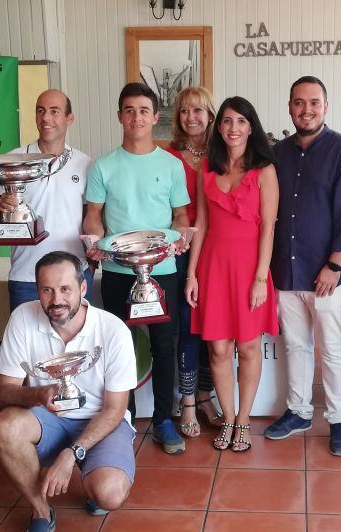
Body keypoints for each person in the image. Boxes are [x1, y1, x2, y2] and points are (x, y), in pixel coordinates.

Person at [0, 251, 136, 532]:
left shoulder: (113, 330)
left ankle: (92, 474)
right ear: (37, 291)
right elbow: (2, 393)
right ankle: (41, 510)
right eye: (47, 290)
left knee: (109, 494)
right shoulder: (22, 318)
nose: (56, 299)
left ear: (83, 288)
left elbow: (115, 409)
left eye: (65, 289)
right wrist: (38, 395)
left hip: (101, 419)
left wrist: (70, 455)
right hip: (48, 418)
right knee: (6, 426)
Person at [83, 82, 190, 455]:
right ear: (119, 116)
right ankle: (122, 420)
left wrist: (179, 238)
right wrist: (95, 242)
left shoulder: (171, 165)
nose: (136, 118)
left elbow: (181, 215)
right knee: (120, 346)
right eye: (129, 110)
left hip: (162, 271)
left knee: (163, 345)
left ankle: (163, 420)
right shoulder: (103, 166)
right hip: (118, 272)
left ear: (155, 117)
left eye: (144, 111)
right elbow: (93, 216)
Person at [264, 76, 341, 457]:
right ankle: (299, 411)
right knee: (295, 345)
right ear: (290, 107)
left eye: (314, 103)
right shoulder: (278, 153)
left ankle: (339, 420)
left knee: (334, 348)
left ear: (326, 106)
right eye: (299, 103)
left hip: (328, 275)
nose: (306, 110)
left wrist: (335, 265)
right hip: (287, 271)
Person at [185, 96, 280, 452]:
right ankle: (227, 417)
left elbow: (268, 228)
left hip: (250, 270)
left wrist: (260, 278)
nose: (233, 128)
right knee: (218, 350)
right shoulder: (206, 169)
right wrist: (192, 275)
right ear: (219, 126)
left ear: (251, 127)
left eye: (241, 121)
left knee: (250, 347)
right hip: (213, 268)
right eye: (227, 121)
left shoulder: (264, 170)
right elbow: (201, 224)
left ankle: (244, 419)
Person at [0, 89, 94, 309]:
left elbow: (91, 217)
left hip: (74, 276)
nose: (46, 118)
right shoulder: (12, 160)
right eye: (40, 111)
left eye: (54, 111)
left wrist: (91, 258)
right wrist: (1, 207)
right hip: (26, 276)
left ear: (70, 118)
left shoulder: (85, 163)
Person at [165, 86, 225, 438]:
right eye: (185, 111)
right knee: (189, 325)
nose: (191, 117)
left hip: (217, 251)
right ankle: (187, 401)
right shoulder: (166, 156)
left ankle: (205, 395)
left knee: (213, 328)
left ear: (210, 115)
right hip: (181, 251)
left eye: (198, 110)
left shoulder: (224, 154)